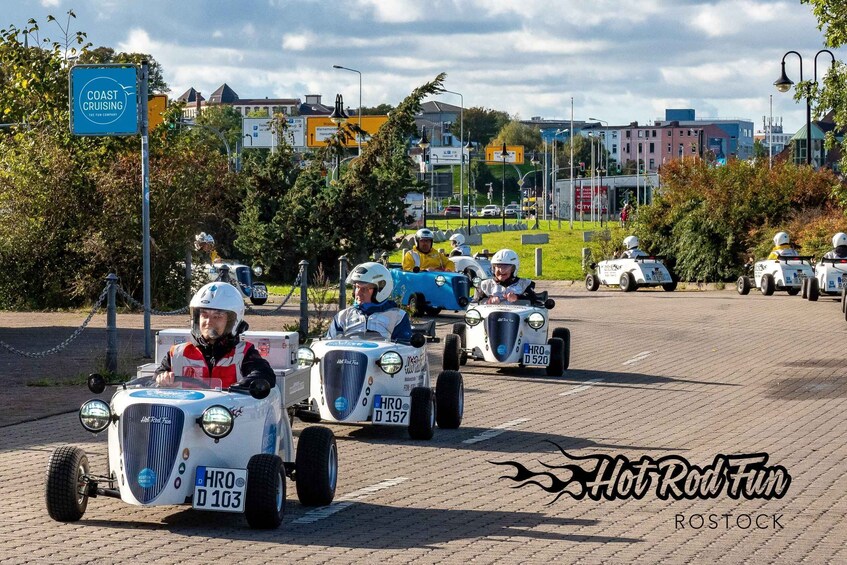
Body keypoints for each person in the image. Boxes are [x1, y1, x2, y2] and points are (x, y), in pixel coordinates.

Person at [154, 282, 275, 388]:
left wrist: (241, 386)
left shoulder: (244, 353)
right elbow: (153, 381)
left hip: (232, 412)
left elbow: (265, 374)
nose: (208, 322)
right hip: (188, 413)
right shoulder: (177, 353)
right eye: (204, 315)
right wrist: (162, 379)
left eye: (217, 316)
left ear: (233, 321)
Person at [327, 262, 413, 341]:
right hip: (348, 357)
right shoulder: (342, 317)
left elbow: (404, 349)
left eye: (364, 289)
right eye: (357, 287)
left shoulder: (397, 317)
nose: (358, 293)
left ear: (381, 289)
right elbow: (329, 345)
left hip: (380, 357)